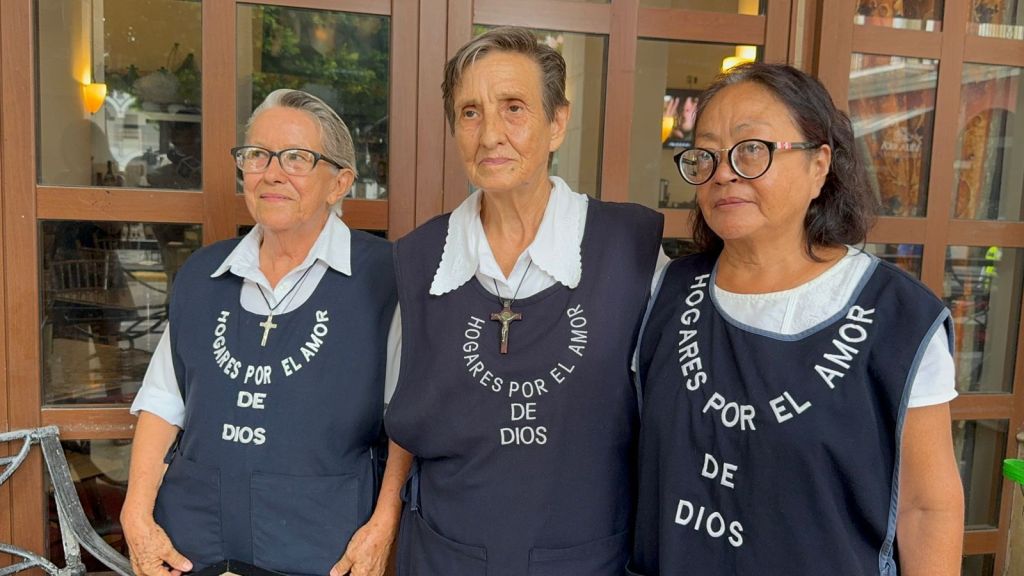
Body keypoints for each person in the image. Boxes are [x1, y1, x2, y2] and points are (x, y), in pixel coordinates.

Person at [631, 63, 963, 575]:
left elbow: (927, 508)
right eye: (706, 154)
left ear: (819, 165)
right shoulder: (665, 292)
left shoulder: (898, 320)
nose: (723, 173)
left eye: (751, 150)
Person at [384, 26, 667, 576]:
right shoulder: (421, 258)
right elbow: (404, 412)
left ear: (557, 122)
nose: (490, 134)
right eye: (470, 113)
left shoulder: (629, 251)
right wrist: (383, 522)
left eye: (513, 108)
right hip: (445, 554)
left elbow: (669, 424)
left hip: (585, 557)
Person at [121, 89, 410, 576]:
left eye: (296, 158)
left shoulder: (385, 278)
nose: (272, 173)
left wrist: (384, 525)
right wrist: (136, 514)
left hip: (324, 546)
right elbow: (163, 402)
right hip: (194, 543)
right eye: (257, 155)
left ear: (339, 182)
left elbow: (405, 422)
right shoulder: (203, 273)